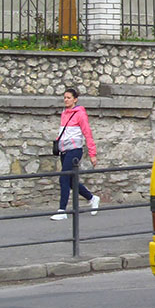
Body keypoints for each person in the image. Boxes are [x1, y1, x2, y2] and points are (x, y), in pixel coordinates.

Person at [51, 87, 100, 220]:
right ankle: (92, 198)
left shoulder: (80, 114)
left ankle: (62, 210)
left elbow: (87, 133)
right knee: (72, 181)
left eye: (69, 98)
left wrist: (92, 154)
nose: (66, 100)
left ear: (75, 99)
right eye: (65, 97)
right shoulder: (64, 112)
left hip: (75, 150)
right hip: (64, 150)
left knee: (64, 178)